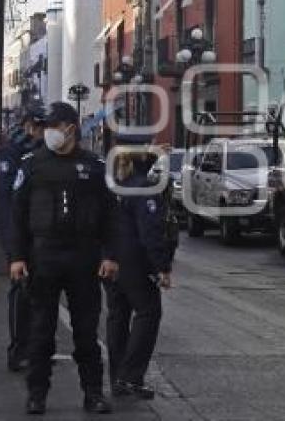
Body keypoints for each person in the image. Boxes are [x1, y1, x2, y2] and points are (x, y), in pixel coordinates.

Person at [9, 102, 118, 415]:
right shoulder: (32, 164)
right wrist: (17, 256)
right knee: (41, 331)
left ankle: (94, 393)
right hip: (44, 256)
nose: (47, 132)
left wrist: (110, 255)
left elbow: (111, 215)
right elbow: (17, 215)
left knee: (86, 332)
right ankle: (37, 395)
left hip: (84, 257)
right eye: (46, 127)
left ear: (70, 128)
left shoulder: (94, 166)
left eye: (53, 126)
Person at [105, 136, 173, 400]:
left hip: (111, 259)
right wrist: (162, 268)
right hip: (135, 261)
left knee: (118, 317)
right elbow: (150, 233)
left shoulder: (113, 184)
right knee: (148, 313)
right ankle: (130, 376)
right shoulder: (143, 187)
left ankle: (118, 378)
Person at [0, 105, 46, 372]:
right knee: (21, 290)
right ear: (27, 125)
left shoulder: (36, 154)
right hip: (17, 233)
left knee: (38, 293)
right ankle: (18, 350)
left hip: (38, 233)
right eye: (37, 127)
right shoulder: (10, 154)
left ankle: (35, 348)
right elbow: (8, 199)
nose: (41, 132)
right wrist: (14, 246)